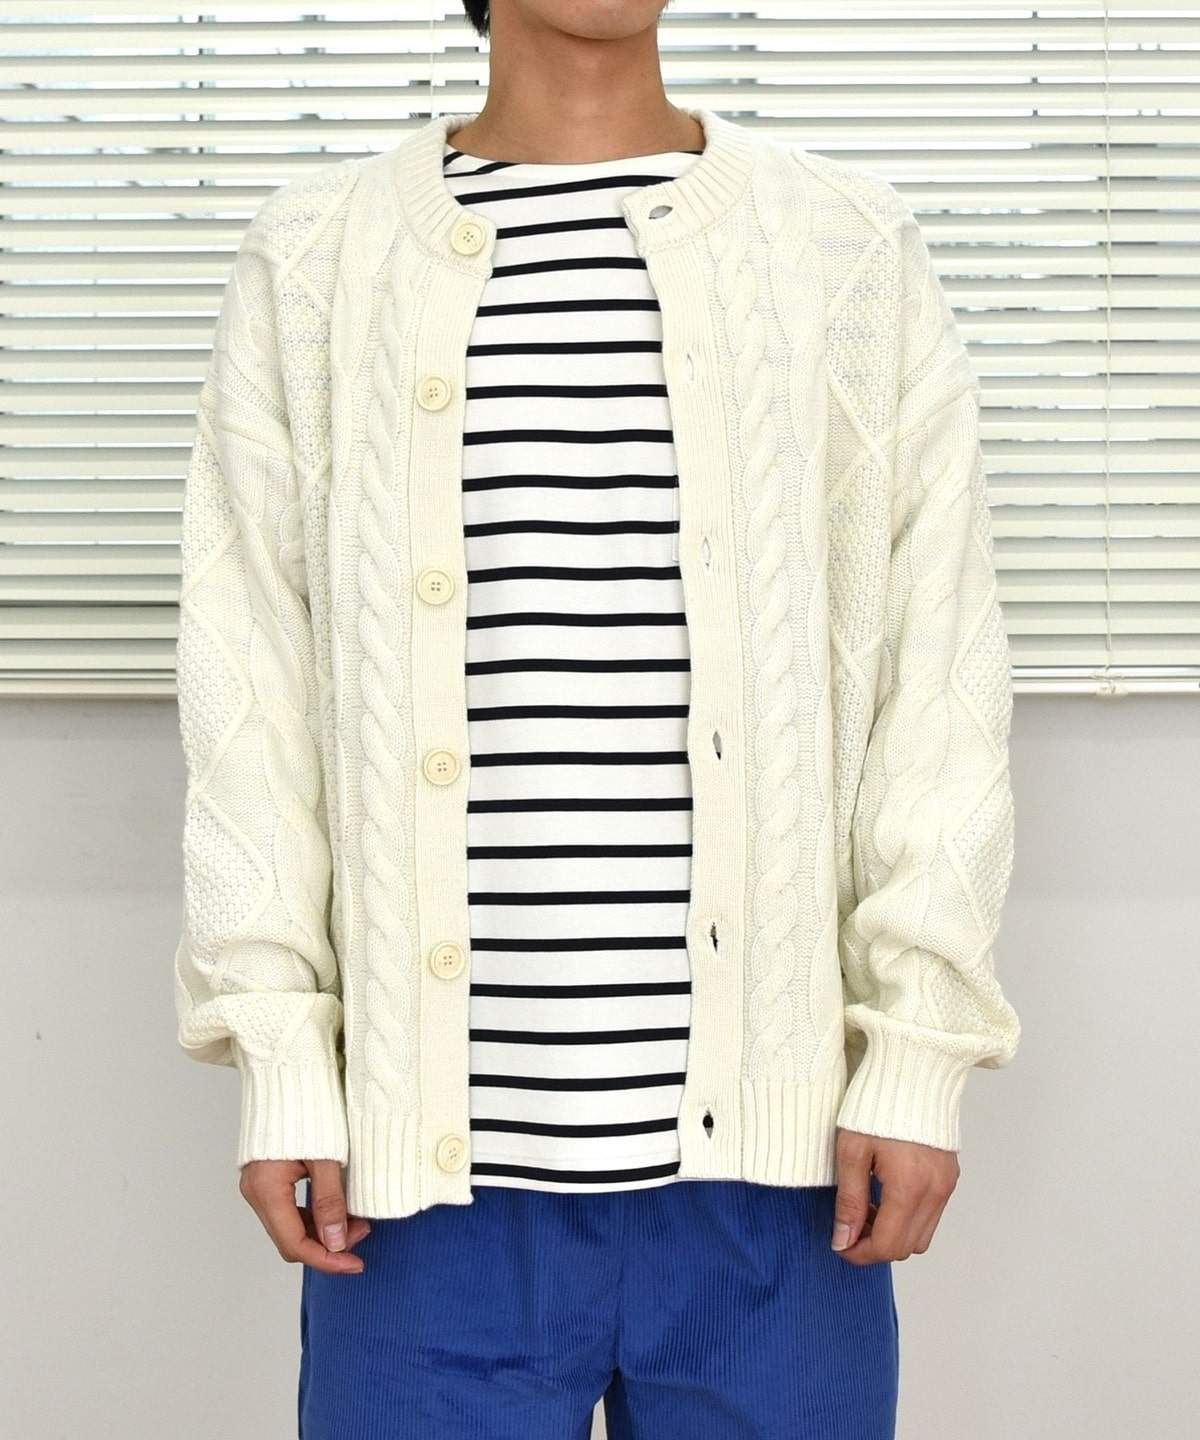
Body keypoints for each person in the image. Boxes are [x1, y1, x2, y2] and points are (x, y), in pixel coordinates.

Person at [172, 2, 1022, 1435]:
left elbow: (936, 675)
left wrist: (919, 1049)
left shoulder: (845, 249)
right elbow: (249, 686)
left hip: (780, 1180)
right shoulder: (317, 259)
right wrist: (282, 1059)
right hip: (416, 1184)